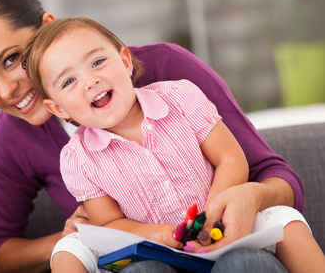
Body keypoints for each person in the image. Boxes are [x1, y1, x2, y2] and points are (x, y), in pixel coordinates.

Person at [0, 0, 306, 273]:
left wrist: (252, 194)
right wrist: (71, 236)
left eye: (11, 59)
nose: (7, 90)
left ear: (48, 28)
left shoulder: (168, 74)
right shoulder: (14, 137)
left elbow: (276, 177)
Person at [22, 16, 325, 273]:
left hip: (224, 224)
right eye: (68, 81)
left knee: (286, 221)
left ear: (125, 61)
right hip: (156, 248)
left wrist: (213, 213)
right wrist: (160, 235)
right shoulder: (78, 158)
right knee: (93, 257)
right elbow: (108, 223)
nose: (90, 80)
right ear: (58, 109)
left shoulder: (180, 97)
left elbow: (231, 158)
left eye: (98, 62)